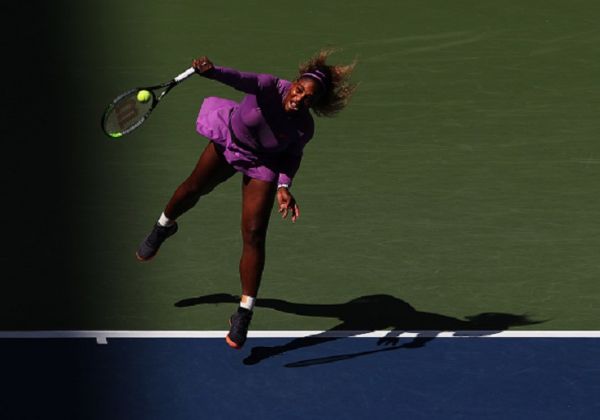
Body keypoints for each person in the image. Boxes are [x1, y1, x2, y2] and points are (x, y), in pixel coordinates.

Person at [135, 48, 357, 349]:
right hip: (229, 140)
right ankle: (164, 226)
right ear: (294, 82)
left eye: (308, 98)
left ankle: (243, 313)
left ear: (315, 104)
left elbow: (292, 156)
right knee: (192, 190)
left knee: (254, 234)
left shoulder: (304, 127)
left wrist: (283, 186)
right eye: (299, 89)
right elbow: (239, 78)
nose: (299, 98)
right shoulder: (267, 86)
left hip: (261, 164)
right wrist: (212, 72)